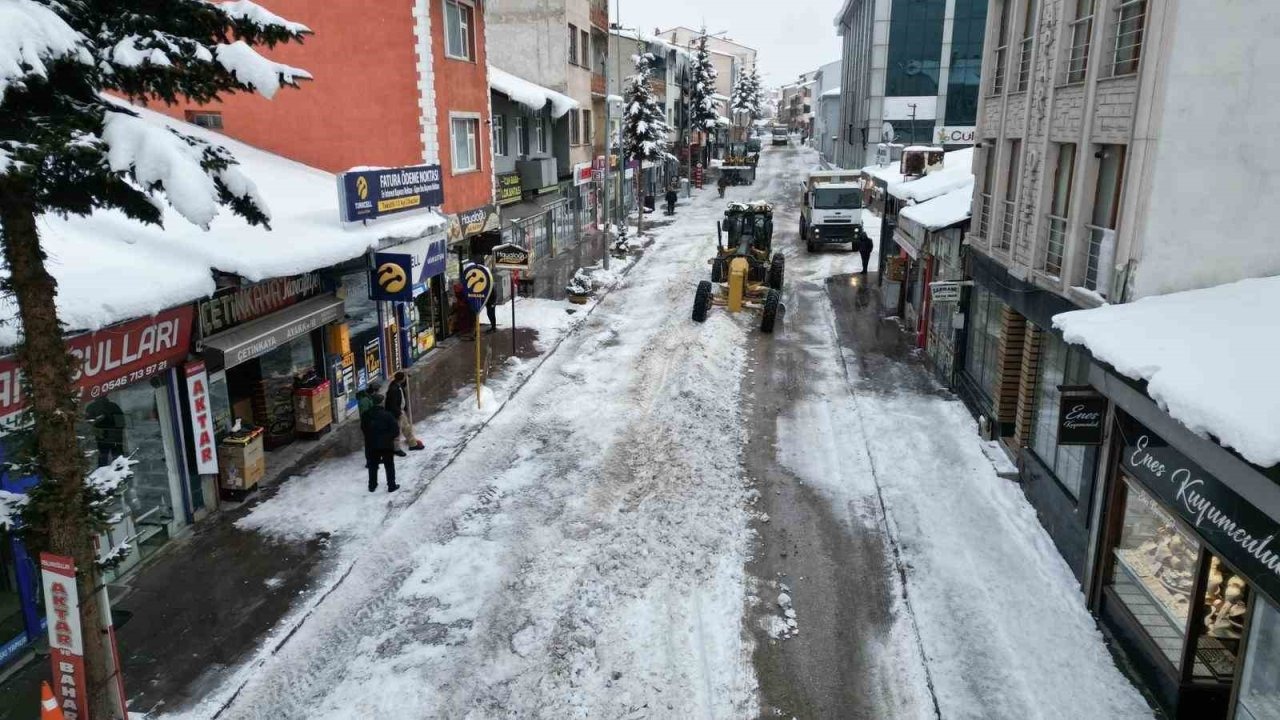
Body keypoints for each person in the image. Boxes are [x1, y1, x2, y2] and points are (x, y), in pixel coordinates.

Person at [362, 392, 400, 493]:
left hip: (371, 445)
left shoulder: (366, 415)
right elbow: (395, 430)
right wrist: (388, 438)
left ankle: (372, 485)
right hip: (386, 445)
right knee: (389, 465)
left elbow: (364, 429)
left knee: (372, 466)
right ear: (381, 403)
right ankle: (391, 485)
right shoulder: (388, 415)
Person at [385, 371, 425, 454]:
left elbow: (403, 385)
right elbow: (392, 404)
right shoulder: (393, 390)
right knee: (397, 431)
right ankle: (396, 449)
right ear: (401, 379)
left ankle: (412, 444)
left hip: (400, 411)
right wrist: (398, 413)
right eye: (404, 378)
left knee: (406, 428)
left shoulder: (397, 385)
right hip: (396, 413)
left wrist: (407, 378)